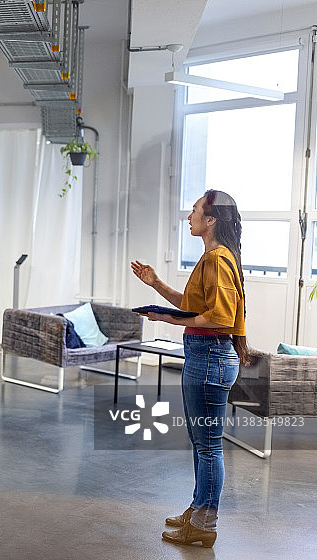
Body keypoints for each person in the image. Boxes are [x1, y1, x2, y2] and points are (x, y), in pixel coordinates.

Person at [131, 189, 248, 548]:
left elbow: (221, 317)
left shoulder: (216, 258)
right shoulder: (213, 257)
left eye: (195, 211)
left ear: (211, 220)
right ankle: (199, 508)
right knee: (202, 444)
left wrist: (166, 317)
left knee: (209, 446)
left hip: (210, 357)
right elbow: (191, 305)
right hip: (205, 355)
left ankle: (204, 523)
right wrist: (156, 285)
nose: (190, 216)